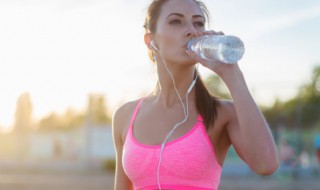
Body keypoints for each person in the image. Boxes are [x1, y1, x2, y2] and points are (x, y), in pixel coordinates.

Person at [112, 0, 279, 189]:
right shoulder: (125, 116)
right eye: (176, 21)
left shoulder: (222, 113)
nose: (192, 30)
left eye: (198, 23)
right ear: (152, 41)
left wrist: (232, 74)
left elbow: (266, 164)